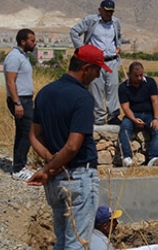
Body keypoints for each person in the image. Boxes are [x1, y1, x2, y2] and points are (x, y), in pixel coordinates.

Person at [27, 44, 110, 249]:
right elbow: (73, 146)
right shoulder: (83, 97)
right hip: (80, 178)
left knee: (62, 240)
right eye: (97, 69)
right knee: (78, 243)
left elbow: (34, 135)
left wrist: (50, 161)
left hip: (55, 181)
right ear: (86, 68)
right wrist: (48, 167)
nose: (98, 75)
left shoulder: (45, 92)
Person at [70, 0, 122, 125]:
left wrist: (118, 47)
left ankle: (113, 115)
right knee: (96, 88)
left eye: (111, 11)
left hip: (111, 60)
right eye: (106, 11)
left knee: (113, 87)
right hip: (95, 62)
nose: (109, 14)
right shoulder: (91, 20)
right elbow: (74, 31)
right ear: (100, 10)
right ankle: (98, 117)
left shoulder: (116, 22)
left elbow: (118, 36)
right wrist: (82, 49)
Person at [4, 28, 36, 181]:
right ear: (23, 41)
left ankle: (20, 163)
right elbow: (10, 81)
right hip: (20, 100)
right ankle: (18, 169)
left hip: (26, 100)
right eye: (32, 40)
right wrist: (17, 102)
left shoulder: (23, 56)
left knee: (23, 133)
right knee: (27, 133)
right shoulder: (14, 57)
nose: (34, 43)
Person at [117, 62, 158, 167]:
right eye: (136, 76)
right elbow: (125, 107)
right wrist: (134, 119)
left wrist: (156, 118)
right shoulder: (123, 87)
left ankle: (153, 158)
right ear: (129, 75)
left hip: (149, 115)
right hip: (132, 115)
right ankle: (127, 157)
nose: (139, 78)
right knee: (125, 127)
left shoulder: (150, 82)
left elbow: (155, 101)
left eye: (141, 75)